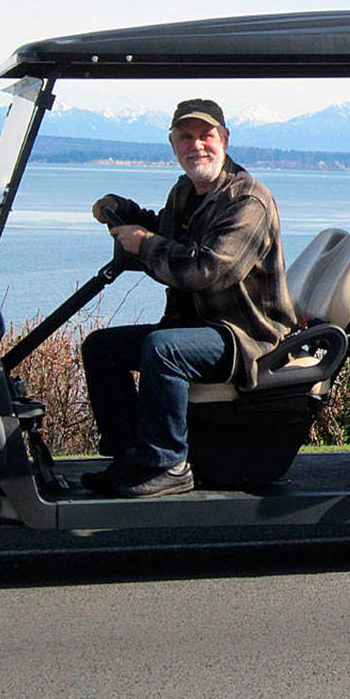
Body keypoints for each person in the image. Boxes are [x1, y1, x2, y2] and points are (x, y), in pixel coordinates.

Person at [79, 99, 296, 498]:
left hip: (246, 336)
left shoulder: (247, 201)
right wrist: (123, 212)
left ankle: (169, 463)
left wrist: (144, 245)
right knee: (101, 348)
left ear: (224, 139)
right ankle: (131, 455)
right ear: (173, 144)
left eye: (206, 136)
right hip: (198, 327)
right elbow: (166, 234)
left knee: (163, 349)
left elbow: (206, 271)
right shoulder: (186, 192)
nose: (197, 146)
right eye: (186, 137)